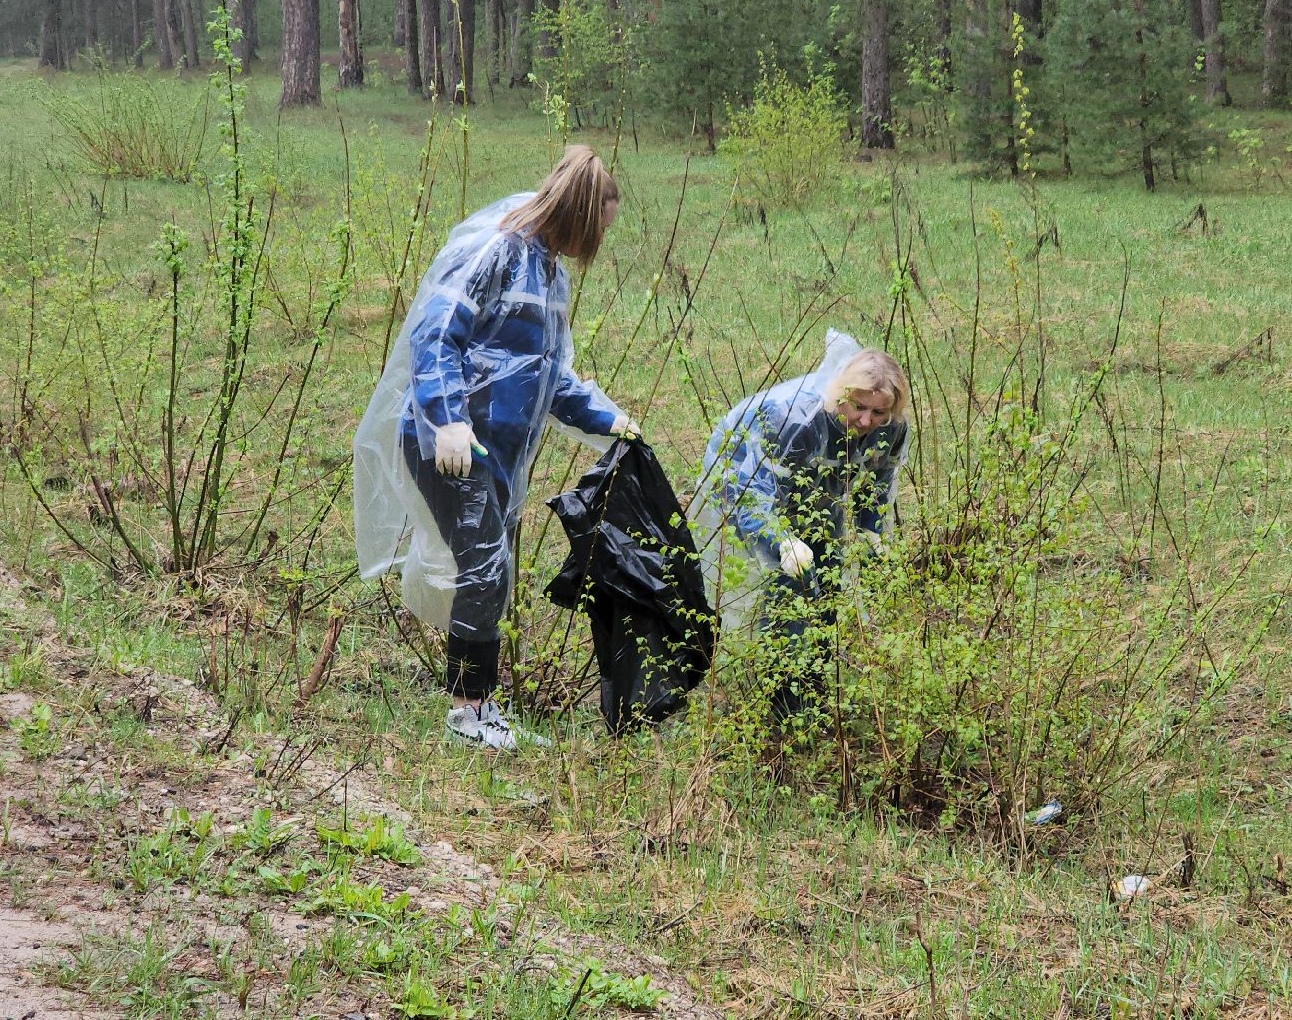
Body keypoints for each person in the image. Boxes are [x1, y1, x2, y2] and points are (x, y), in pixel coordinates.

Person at [353, 145, 639, 751]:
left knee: (490, 569)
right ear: (579, 215)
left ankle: (481, 705)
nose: (597, 243)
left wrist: (609, 420)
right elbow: (435, 333)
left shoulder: (549, 272)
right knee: (484, 565)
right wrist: (448, 420)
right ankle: (468, 714)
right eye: (599, 229)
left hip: (493, 451)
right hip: (451, 443)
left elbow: (549, 375)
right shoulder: (498, 251)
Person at [693, 331, 910, 721]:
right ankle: (784, 703)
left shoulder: (890, 428)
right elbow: (752, 492)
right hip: (743, 474)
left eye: (878, 413)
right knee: (791, 584)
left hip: (814, 482)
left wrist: (871, 530)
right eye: (859, 407)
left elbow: (877, 482)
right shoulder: (795, 420)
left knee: (827, 575)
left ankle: (815, 683)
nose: (866, 420)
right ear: (842, 394)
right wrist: (782, 540)